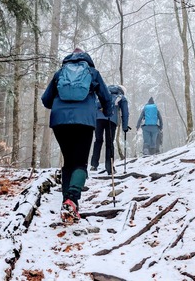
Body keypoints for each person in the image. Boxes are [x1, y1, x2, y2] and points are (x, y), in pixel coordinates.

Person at [41, 48, 112, 224]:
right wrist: (107, 112)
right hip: (84, 122)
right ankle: (72, 199)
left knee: (69, 163)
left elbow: (45, 99)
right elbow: (107, 97)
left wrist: (59, 105)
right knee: (80, 162)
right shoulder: (92, 72)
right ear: (86, 59)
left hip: (60, 122)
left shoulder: (60, 73)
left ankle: (67, 202)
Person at [90, 85, 130, 175]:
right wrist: (125, 126)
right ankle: (109, 167)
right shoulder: (121, 97)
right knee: (109, 143)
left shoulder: (103, 93)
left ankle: (94, 165)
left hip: (98, 119)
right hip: (111, 120)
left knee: (98, 141)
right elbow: (125, 113)